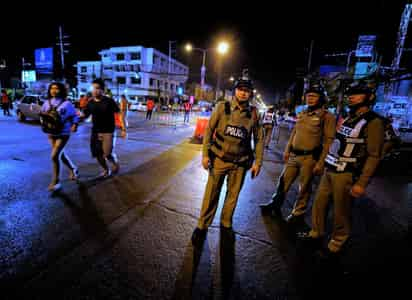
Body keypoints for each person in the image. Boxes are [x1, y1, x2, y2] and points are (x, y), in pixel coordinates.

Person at [299, 81, 385, 257]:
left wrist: (361, 183)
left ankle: (337, 242)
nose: (351, 97)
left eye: (357, 93)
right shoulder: (348, 117)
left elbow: (374, 155)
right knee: (319, 204)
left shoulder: (373, 122)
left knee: (341, 211)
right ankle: (316, 233)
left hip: (346, 173)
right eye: (350, 94)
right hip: (330, 170)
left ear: (368, 97)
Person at [191, 78, 264, 245]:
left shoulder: (253, 113)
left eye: (246, 90)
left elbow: (259, 139)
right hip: (219, 160)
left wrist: (258, 162)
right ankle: (202, 226)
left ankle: (226, 224)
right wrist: (205, 155)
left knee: (233, 196)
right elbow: (209, 131)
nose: (243, 92)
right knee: (211, 195)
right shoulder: (222, 107)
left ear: (250, 94)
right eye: (240, 89)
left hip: (240, 164)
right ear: (235, 91)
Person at [260, 84, 336, 226]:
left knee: (304, 187)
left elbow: (328, 141)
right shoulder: (303, 113)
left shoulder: (327, 116)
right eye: (308, 96)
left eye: (314, 96)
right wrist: (288, 149)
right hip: (294, 155)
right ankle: (275, 204)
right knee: (283, 181)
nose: (310, 98)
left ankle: (298, 213)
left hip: (310, 158)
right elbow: (295, 132)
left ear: (321, 98)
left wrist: (321, 162)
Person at [41, 82, 79, 192]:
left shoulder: (67, 103)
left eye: (56, 88)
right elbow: (42, 115)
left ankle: (56, 181)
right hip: (51, 133)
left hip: (63, 133)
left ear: (61, 90)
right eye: (52, 88)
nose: (54, 90)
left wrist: (74, 125)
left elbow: (74, 115)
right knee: (60, 155)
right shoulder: (46, 103)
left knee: (54, 156)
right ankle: (73, 168)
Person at [82, 79, 122, 178]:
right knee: (97, 154)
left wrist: (123, 128)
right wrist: (77, 118)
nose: (95, 91)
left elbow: (118, 113)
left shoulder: (109, 101)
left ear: (103, 90)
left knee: (107, 153)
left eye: (98, 88)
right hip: (95, 131)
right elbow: (85, 115)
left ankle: (115, 162)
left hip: (108, 131)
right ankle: (106, 169)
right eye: (94, 88)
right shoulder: (90, 102)